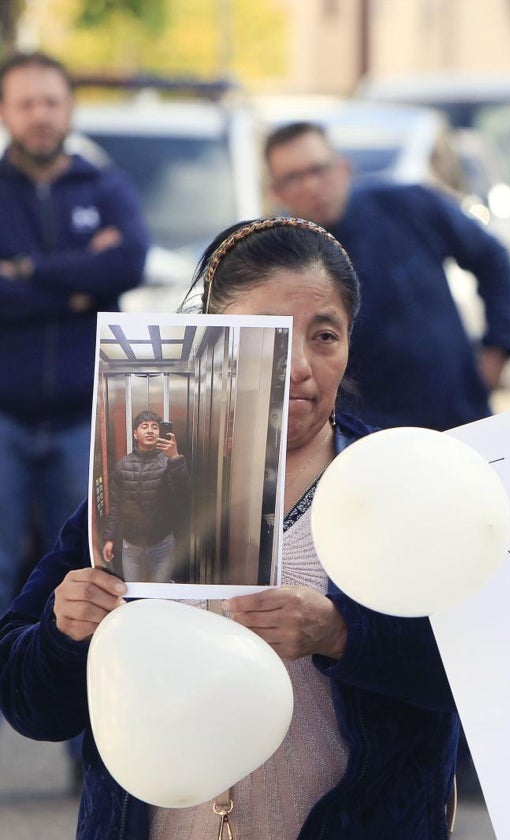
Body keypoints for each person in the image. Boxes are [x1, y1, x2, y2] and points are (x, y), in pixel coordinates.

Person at [0, 217, 459, 839]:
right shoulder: (133, 480)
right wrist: (63, 631)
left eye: (325, 335)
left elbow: (473, 674)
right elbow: (31, 704)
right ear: (209, 337)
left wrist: (342, 633)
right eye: (267, 335)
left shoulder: (395, 484)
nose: (298, 365)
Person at [0, 51, 148, 609]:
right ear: (5, 111)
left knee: (90, 570)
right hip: (4, 417)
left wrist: (25, 270)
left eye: (51, 102)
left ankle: (76, 687)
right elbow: (101, 273)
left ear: (70, 108)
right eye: (26, 103)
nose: (40, 114)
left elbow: (128, 263)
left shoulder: (106, 186)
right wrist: (78, 283)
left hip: (84, 422)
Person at [263, 121, 510, 432]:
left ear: (343, 168)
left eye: (319, 169)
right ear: (277, 192)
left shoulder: (408, 205)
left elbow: (493, 259)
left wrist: (498, 348)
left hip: (462, 415)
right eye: (294, 178)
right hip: (365, 438)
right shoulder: (281, 259)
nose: (311, 185)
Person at [100, 410, 188, 584]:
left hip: (162, 542)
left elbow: (184, 495)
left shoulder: (170, 461)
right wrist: (109, 539)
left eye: (155, 427)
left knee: (160, 592)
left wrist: (176, 458)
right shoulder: (122, 466)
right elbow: (116, 506)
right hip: (131, 543)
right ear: (135, 434)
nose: (150, 431)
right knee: (132, 590)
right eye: (144, 426)